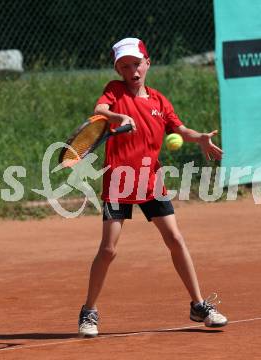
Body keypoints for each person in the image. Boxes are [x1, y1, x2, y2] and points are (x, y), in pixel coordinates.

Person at [78, 37, 227, 337]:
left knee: (175, 238)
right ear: (117, 69)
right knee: (108, 250)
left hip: (150, 181)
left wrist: (198, 137)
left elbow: (179, 129)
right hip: (119, 181)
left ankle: (198, 305)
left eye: (136, 64)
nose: (131, 70)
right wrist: (117, 115)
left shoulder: (159, 101)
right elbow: (99, 109)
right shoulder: (115, 90)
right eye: (124, 66)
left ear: (148, 63)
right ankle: (88, 312)